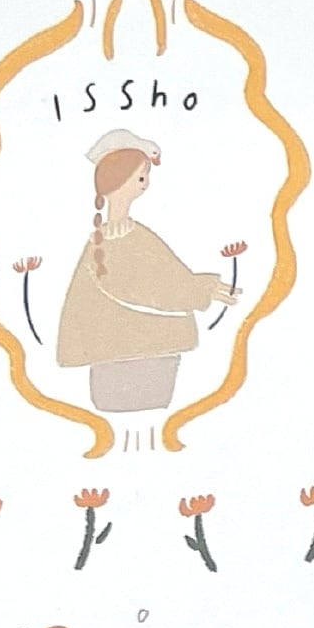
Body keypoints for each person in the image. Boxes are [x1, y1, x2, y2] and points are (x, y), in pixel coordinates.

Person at [54, 130, 229, 417]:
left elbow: (171, 277)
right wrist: (201, 290)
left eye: (145, 176)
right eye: (140, 177)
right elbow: (136, 289)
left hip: (156, 357)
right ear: (118, 180)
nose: (145, 184)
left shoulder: (138, 236)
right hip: (119, 360)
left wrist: (204, 286)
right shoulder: (106, 244)